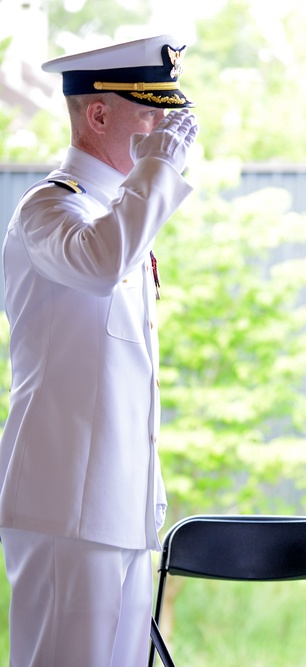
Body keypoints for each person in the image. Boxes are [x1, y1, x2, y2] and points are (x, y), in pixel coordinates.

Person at [0, 35, 199, 666]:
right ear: (98, 114)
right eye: (148, 110)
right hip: (65, 506)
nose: (163, 126)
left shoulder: (119, 216)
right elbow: (98, 262)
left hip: (122, 504)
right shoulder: (48, 209)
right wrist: (159, 171)